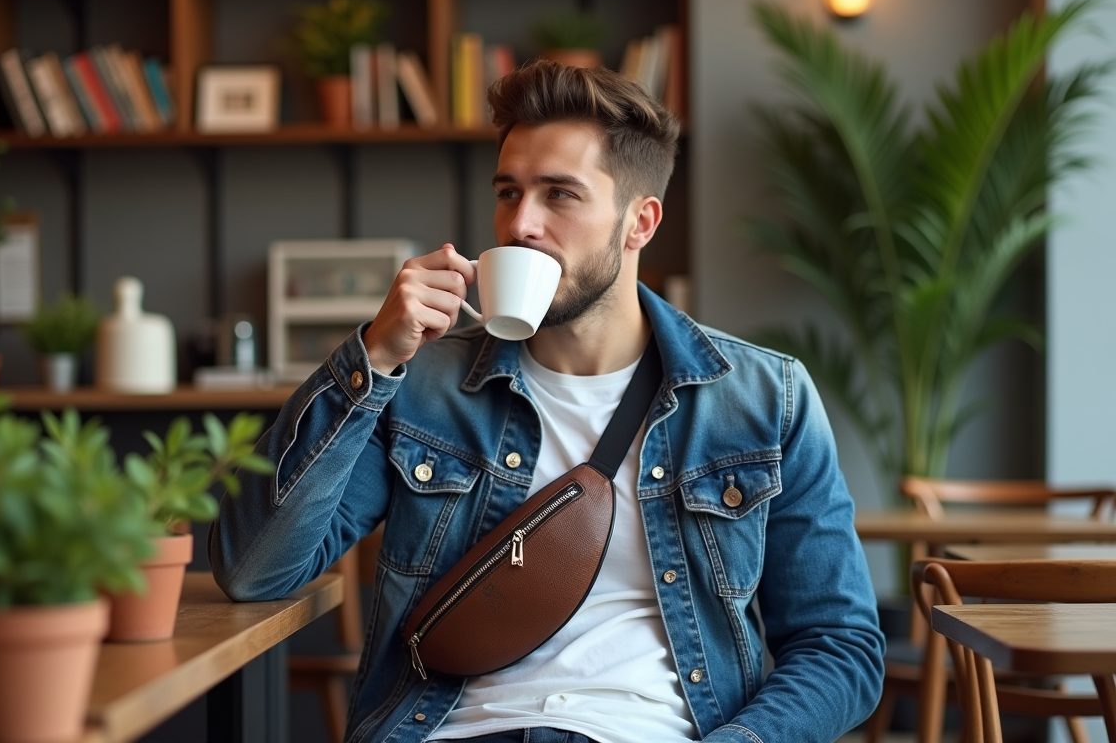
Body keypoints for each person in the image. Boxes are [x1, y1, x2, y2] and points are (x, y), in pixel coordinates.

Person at [210, 61, 884, 743]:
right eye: (509, 192)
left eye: (560, 194)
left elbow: (839, 647)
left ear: (640, 222)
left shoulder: (762, 398)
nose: (520, 224)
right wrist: (373, 358)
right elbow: (253, 570)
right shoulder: (421, 384)